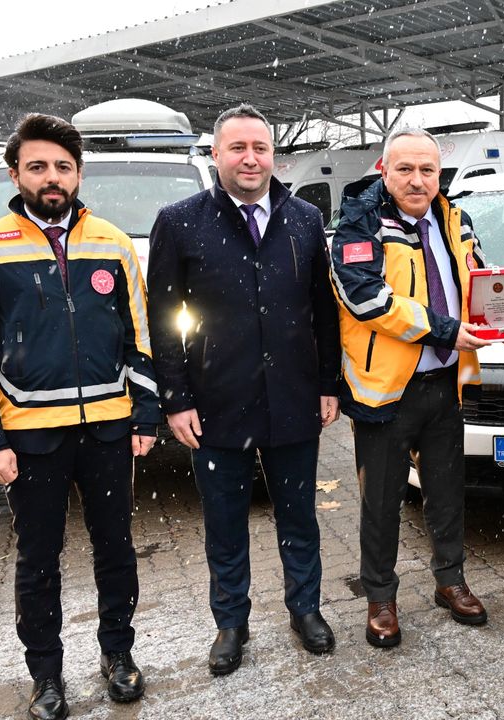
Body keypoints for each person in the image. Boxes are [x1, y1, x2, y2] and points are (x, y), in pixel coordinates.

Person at [0, 113, 157, 720]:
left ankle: (118, 655)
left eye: (63, 166)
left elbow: (140, 337)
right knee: (38, 561)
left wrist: (145, 416)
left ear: (78, 173)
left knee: (116, 549)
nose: (52, 177)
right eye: (37, 166)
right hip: (30, 436)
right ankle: (45, 675)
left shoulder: (113, 244)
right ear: (15, 175)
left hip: (108, 429)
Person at [147, 104, 341, 673]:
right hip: (216, 401)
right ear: (216, 155)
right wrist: (176, 398)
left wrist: (328, 382)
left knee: (299, 516)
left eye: (260, 148)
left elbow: (324, 309)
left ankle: (305, 608)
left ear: (273, 155)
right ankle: (231, 622)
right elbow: (163, 318)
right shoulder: (179, 222)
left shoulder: (305, 219)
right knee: (225, 523)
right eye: (238, 148)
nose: (250, 159)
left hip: (294, 397)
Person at [329, 127, 490, 648]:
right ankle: (380, 598)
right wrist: (444, 329)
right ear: (384, 169)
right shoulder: (358, 222)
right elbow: (365, 298)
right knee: (382, 503)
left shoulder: (456, 219)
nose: (417, 180)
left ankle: (451, 581)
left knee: (446, 493)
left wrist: (499, 312)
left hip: (446, 383)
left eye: (428, 170)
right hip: (385, 393)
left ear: (440, 174)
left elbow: (477, 281)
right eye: (405, 169)